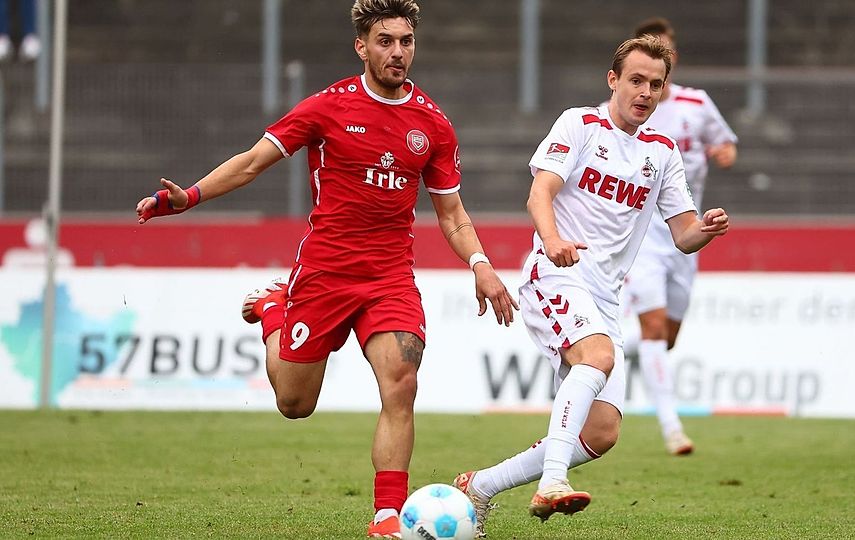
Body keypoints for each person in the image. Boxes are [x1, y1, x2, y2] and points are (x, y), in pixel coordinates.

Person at [135, 1, 519, 538]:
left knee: (401, 382)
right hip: (325, 272)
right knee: (295, 404)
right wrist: (189, 197)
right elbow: (251, 162)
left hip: (389, 277)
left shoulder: (432, 123)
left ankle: (387, 515)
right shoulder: (326, 107)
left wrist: (480, 264)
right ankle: (274, 311)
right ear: (361, 46)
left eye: (406, 41)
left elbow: (451, 214)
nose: (398, 52)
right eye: (385, 41)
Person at [454, 35, 729, 537]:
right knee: (596, 358)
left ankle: (481, 485)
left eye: (655, 85)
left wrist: (704, 231)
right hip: (554, 272)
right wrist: (553, 238)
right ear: (614, 80)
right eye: (636, 81)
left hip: (605, 294)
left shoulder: (662, 152)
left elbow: (683, 235)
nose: (645, 92)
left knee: (602, 433)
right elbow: (540, 191)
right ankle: (552, 481)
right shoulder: (579, 124)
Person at [621, 17, 739, 456]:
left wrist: (725, 153)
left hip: (689, 229)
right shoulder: (622, 109)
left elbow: (725, 144)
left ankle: (614, 346)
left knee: (665, 337)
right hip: (643, 234)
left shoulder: (696, 103)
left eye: (664, 56)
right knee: (653, 327)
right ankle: (672, 428)